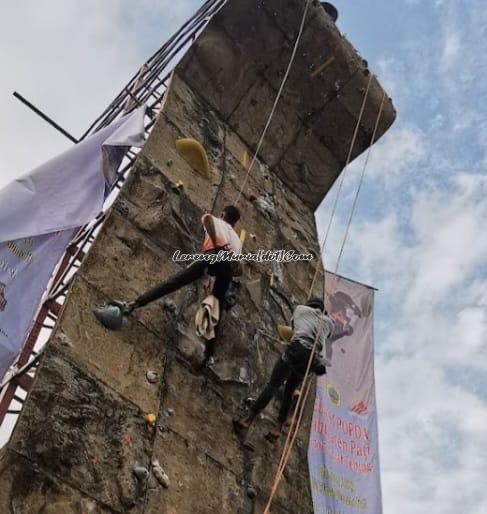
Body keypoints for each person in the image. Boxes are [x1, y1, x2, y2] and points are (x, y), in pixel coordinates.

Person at [101, 205, 242, 364]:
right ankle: (208, 356)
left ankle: (134, 304)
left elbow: (207, 220)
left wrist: (216, 246)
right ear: (235, 223)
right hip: (228, 268)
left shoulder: (216, 221)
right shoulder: (237, 239)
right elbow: (239, 270)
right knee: (216, 310)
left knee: (174, 282)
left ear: (223, 214)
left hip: (213, 257)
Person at [234, 297, 334, 441]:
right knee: (289, 390)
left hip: (297, 348)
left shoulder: (300, 309)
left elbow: (293, 330)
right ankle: (277, 428)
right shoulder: (328, 323)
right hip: (311, 359)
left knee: (273, 384)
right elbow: (329, 333)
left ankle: (247, 420)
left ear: (309, 305)